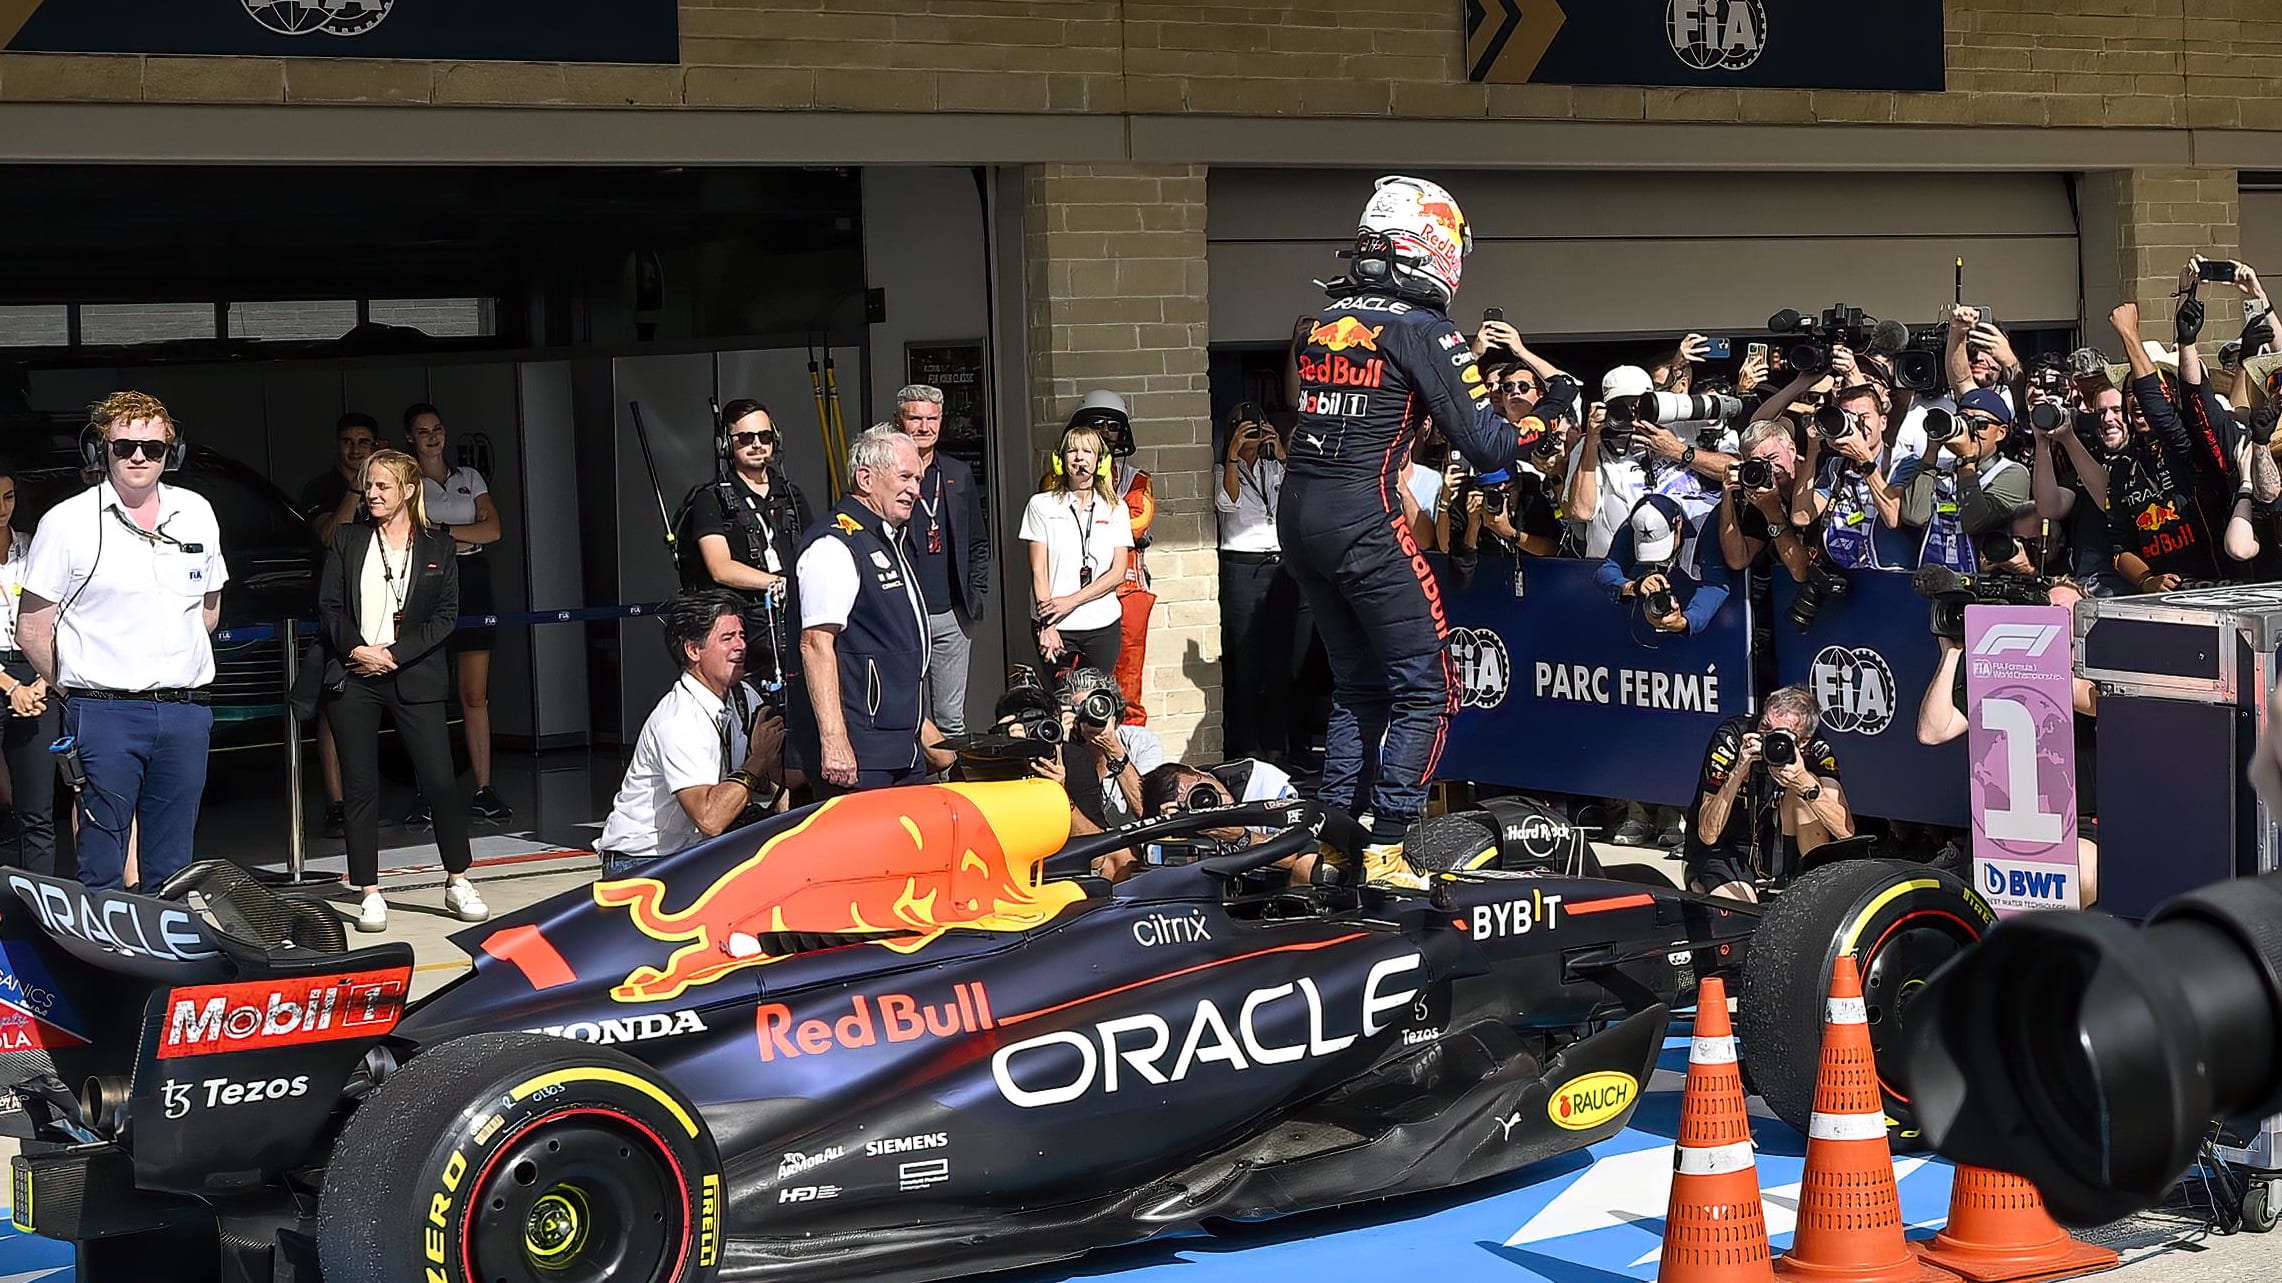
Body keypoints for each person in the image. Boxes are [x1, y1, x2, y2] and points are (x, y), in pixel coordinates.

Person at [1281, 176, 1539, 887]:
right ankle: (1390, 844)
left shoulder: (1327, 319)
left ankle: (1336, 839)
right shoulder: (1426, 328)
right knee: (1431, 688)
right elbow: (1486, 445)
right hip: (1363, 516)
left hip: (1301, 515)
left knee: (1359, 686)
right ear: (1431, 247)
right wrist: (1538, 426)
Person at [19, 391, 227, 892]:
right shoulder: (66, 522)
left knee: (174, 868)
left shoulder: (197, 512)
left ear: (169, 455)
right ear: (100, 450)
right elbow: (32, 629)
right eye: (125, 446)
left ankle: (162, 968)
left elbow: (209, 609)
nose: (138, 457)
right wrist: (78, 691)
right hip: (104, 712)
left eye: (152, 449)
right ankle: (103, 968)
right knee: (102, 865)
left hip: (184, 712)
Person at [315, 449, 488, 931]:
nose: (371, 494)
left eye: (383, 486)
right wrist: (358, 651)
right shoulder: (348, 540)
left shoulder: (438, 547)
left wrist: (394, 654)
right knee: (361, 786)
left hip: (412, 673)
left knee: (438, 780)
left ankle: (457, 879)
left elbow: (445, 617)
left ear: (408, 491)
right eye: (368, 485)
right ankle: (368, 889)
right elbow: (330, 608)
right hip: (355, 675)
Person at [1916, 577, 2100, 905]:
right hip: (2006, 829)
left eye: (2066, 613)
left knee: (2083, 870)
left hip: (2079, 824)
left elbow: (2094, 701)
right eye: (2049, 610)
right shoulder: (2004, 673)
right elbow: (1933, 731)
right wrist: (1954, 652)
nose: (2057, 618)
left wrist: (2037, 664)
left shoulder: (2094, 673)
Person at [593, 590, 788, 876]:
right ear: (693, 650)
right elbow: (710, 818)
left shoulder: (743, 696)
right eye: (727, 638)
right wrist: (758, 760)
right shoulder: (680, 719)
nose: (741, 646)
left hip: (693, 851)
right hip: (642, 862)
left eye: (742, 635)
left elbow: (781, 779)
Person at [797, 426, 936, 795]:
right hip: (860, 752)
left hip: (901, 748)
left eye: (919, 479)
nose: (915, 489)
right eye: (905, 477)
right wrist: (834, 740)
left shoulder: (887, 537)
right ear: (865, 478)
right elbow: (815, 644)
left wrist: (922, 728)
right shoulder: (834, 543)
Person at [685, 398, 813, 785]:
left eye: (764, 436)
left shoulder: (791, 495)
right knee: (752, 724)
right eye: (745, 439)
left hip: (791, 625)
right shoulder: (712, 499)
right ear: (727, 445)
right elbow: (719, 566)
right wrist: (776, 583)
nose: (757, 445)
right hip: (744, 626)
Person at [405, 402, 510, 822]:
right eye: (423, 431)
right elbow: (413, 534)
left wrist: (444, 534)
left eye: (438, 429)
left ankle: (483, 789)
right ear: (409, 438)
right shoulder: (406, 480)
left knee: (474, 694)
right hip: (427, 583)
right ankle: (428, 792)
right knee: (424, 692)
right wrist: (458, 538)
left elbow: (494, 529)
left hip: (473, 580)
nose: (432, 437)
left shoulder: (469, 477)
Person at [1682, 685, 1854, 902]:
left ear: (1802, 742)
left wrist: (1804, 783)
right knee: (1740, 916)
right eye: (1765, 726)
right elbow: (1708, 834)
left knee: (1806, 798)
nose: (1768, 739)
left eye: (1780, 736)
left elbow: (1845, 831)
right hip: (1725, 849)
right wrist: (1737, 772)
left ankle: (1814, 888)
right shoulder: (1733, 738)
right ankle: (1703, 886)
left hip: (1774, 847)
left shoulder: (1815, 748)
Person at [300, 412, 381, 838]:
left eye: (364, 441)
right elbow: (331, 535)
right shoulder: (320, 489)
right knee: (334, 707)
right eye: (348, 441)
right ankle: (336, 802)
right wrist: (355, 491)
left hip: (385, 614)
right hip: (338, 613)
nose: (355, 448)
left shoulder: (390, 487)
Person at [896, 384, 991, 740]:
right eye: (915, 418)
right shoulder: (887, 475)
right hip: (903, 617)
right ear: (899, 421)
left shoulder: (957, 473)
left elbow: (978, 542)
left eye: (931, 418)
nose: (924, 427)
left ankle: (948, 793)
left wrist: (976, 594)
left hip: (952, 615)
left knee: (951, 722)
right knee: (904, 719)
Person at [1022, 423, 1133, 675]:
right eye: (1072, 451)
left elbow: (1118, 572)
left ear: (1100, 462)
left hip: (1102, 625)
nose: (1079, 457)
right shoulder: (1041, 505)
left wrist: (1071, 602)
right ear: (1061, 460)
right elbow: (1039, 571)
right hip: (1055, 626)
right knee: (1063, 703)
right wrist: (1047, 624)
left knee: (1098, 704)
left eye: (1087, 451)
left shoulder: (1116, 508)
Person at [1216, 401, 1290, 762]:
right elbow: (1227, 503)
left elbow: (1299, 496)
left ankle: (1276, 742)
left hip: (1279, 564)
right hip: (1242, 566)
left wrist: (1282, 453)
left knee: (1279, 659)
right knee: (1245, 659)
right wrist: (1233, 454)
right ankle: (1245, 743)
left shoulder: (1274, 467)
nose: (1254, 436)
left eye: (1258, 428)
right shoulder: (1221, 469)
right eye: (1247, 429)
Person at [0, 465, 56, 876]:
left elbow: (64, 616)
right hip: (5, 677)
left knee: (37, 811)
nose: (2, 508)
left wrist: (41, 680)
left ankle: (41, 911)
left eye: (8, 497)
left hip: (37, 674)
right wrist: (10, 686)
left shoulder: (35, 547)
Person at [1596, 493, 1733, 638]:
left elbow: (1717, 584)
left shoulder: (1706, 525)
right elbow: (1605, 571)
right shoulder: (1639, 521)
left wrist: (1685, 622)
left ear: (1678, 523)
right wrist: (1632, 587)